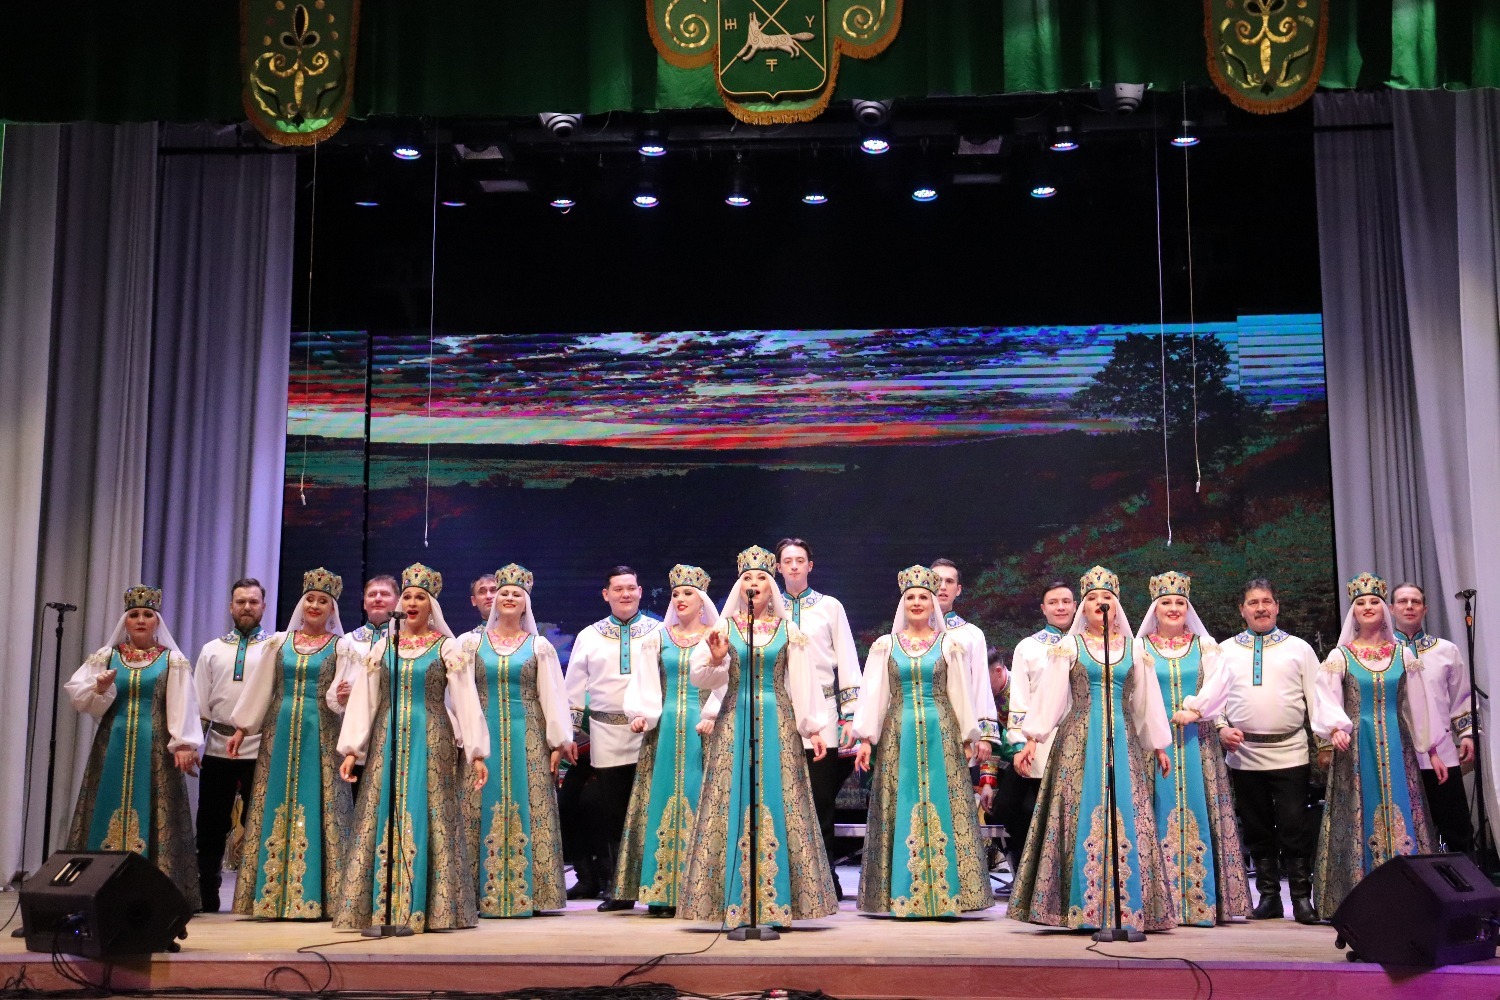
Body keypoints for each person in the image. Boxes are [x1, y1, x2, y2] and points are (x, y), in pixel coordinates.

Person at [1009, 566, 1176, 933]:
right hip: (1079, 739)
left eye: (1107, 598)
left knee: (1126, 811)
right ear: (1083, 608)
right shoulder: (1069, 647)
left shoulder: (1134, 648)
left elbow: (1147, 702)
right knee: (1078, 810)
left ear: (1117, 606)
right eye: (1093, 599)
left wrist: (1159, 746)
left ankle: (1128, 906)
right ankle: (1079, 905)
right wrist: (1032, 738)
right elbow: (1051, 697)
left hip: (1122, 739)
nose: (1101, 604)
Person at [681, 545, 838, 929]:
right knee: (731, 798)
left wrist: (813, 728)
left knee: (779, 797)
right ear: (740, 586)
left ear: (771, 588)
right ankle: (731, 900)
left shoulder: (790, 632)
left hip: (777, 720)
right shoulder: (723, 630)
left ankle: (779, 900)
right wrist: (717, 659)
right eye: (747, 578)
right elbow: (699, 677)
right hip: (734, 719)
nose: (753, 584)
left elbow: (802, 683)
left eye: (761, 579)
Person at [334, 563, 490, 932]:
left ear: (431, 605)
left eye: (421, 597)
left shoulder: (447, 647)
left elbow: (466, 700)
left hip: (430, 735)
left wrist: (476, 752)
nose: (413, 602)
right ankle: (382, 906)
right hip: (388, 735)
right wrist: (352, 748)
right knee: (382, 809)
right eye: (407, 596)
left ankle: (431, 906)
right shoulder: (384, 647)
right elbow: (365, 699)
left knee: (428, 810)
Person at [852, 565, 992, 918]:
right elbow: (875, 695)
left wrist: (968, 736)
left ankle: (949, 895)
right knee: (901, 802)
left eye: (923, 597)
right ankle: (901, 892)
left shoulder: (950, 645)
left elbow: (960, 693)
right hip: (898, 734)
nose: (917, 602)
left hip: (940, 731)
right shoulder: (885, 645)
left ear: (933, 604)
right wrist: (866, 739)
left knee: (944, 802)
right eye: (911, 597)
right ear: (903, 603)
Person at [226, 567, 354, 919]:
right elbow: (260, 688)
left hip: (321, 733)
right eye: (310, 599)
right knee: (275, 798)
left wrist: (343, 696)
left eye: (323, 601)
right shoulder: (279, 643)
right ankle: (268, 895)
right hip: (279, 731)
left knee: (318, 800)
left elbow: (342, 697)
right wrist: (241, 729)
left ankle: (317, 895)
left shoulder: (342, 648)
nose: (315, 605)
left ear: (332, 609)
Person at [1312, 572, 1441, 918]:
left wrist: (1431, 748)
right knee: (1360, 810)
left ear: (1385, 609)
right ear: (1353, 612)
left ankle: (1410, 897)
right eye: (1361, 603)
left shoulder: (1403, 655)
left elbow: (1418, 706)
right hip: (1357, 746)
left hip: (1398, 743)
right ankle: (1358, 898)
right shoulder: (1341, 656)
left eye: (1374, 602)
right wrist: (1334, 728)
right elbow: (1325, 699)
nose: (1368, 607)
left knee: (1404, 807)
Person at [64, 586, 201, 909]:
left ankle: (156, 895)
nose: (141, 620)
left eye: (148, 615)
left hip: (155, 747)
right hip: (112, 743)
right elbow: (80, 698)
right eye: (134, 614)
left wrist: (184, 742)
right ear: (125, 621)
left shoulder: (172, 660)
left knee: (154, 807)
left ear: (157, 622)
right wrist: (99, 689)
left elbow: (182, 703)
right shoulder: (107, 657)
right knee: (106, 802)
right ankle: (96, 888)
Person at [458, 563, 575, 918]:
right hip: (484, 735)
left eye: (516, 594)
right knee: (478, 804)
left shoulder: (539, 646)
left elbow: (552, 696)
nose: (509, 598)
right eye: (504, 593)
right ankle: (476, 893)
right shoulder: (471, 644)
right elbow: (460, 695)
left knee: (531, 804)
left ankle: (535, 894)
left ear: (526, 603)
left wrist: (558, 742)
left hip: (529, 736)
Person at [1139, 571, 1251, 926]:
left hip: (1197, 743)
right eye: (1166, 602)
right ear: (1155, 609)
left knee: (1203, 812)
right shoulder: (1140, 649)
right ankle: (1159, 903)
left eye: (1180, 603)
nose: (1174, 608)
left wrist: (1197, 709)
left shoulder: (1206, 646)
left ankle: (1203, 903)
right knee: (1156, 811)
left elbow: (1220, 683)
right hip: (1153, 746)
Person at [616, 565, 724, 917]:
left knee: (698, 797)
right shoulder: (658, 639)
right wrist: (640, 714)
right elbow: (645, 682)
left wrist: (713, 715)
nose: (680, 599)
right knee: (661, 799)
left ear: (702, 600)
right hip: (664, 729)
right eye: (676, 593)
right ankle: (661, 892)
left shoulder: (716, 637)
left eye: (688, 593)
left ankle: (700, 890)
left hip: (703, 727)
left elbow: (726, 680)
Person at [1214, 578, 1321, 923]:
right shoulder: (1224, 651)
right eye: (1253, 602)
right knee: (1256, 827)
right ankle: (1269, 898)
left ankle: (1301, 899)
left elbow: (1317, 699)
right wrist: (1221, 728)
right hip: (1244, 754)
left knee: (1294, 826)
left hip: (1291, 752)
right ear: (1242, 610)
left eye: (1266, 601)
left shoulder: (1300, 649)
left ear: (1277, 606)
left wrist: (1324, 744)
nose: (1260, 608)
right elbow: (1213, 698)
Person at [566, 565, 662, 911]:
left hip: (650, 734)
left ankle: (657, 887)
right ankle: (621, 889)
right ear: (606, 594)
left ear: (640, 591)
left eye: (631, 588)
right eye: (618, 589)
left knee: (651, 811)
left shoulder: (659, 631)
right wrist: (569, 734)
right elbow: (573, 687)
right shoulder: (589, 635)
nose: (625, 594)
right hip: (606, 734)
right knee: (613, 815)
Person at [776, 537, 862, 898]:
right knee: (781, 797)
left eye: (800, 560)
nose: (794, 566)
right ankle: (785, 878)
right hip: (779, 711)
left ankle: (826, 876)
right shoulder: (768, 608)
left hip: (824, 712)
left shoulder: (830, 607)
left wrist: (850, 716)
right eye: (787, 561)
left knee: (820, 799)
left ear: (810, 566)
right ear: (778, 567)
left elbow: (847, 660)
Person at [192, 577, 273, 912]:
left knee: (260, 821)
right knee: (210, 823)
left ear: (263, 606)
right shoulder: (212, 649)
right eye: (241, 602)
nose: (246, 607)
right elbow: (200, 702)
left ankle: (257, 893)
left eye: (253, 602)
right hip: (217, 748)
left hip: (261, 749)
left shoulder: (275, 648)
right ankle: (206, 891)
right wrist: (191, 744)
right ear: (230, 606)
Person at [1391, 582, 1476, 853]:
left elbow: (1461, 696)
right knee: (1406, 832)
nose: (1409, 606)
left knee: (1457, 828)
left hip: (1442, 752)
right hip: (1399, 754)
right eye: (1402, 601)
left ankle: (1464, 879)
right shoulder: (1383, 654)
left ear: (1425, 609)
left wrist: (1467, 734)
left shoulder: (1446, 650)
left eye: (1415, 601)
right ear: (1391, 609)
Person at [998, 581, 1075, 873]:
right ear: (1043, 609)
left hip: (1083, 738)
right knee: (1032, 812)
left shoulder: (1090, 644)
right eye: (1053, 602)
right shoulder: (1028, 648)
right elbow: (1020, 700)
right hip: (1040, 744)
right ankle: (1034, 872)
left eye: (1066, 601)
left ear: (1075, 605)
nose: (1060, 607)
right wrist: (1020, 744)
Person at [327, 574, 397, 798]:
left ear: (398, 601)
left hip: (393, 733)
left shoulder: (404, 642)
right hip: (356, 737)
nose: (378, 598)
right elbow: (334, 691)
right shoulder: (347, 642)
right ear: (364, 602)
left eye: (384, 594)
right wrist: (340, 697)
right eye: (372, 594)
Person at [931, 559, 1001, 781]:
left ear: (958, 589)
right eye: (937, 581)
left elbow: (981, 685)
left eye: (949, 581)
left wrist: (985, 736)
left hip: (959, 728)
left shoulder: (972, 635)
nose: (942, 587)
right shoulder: (905, 634)